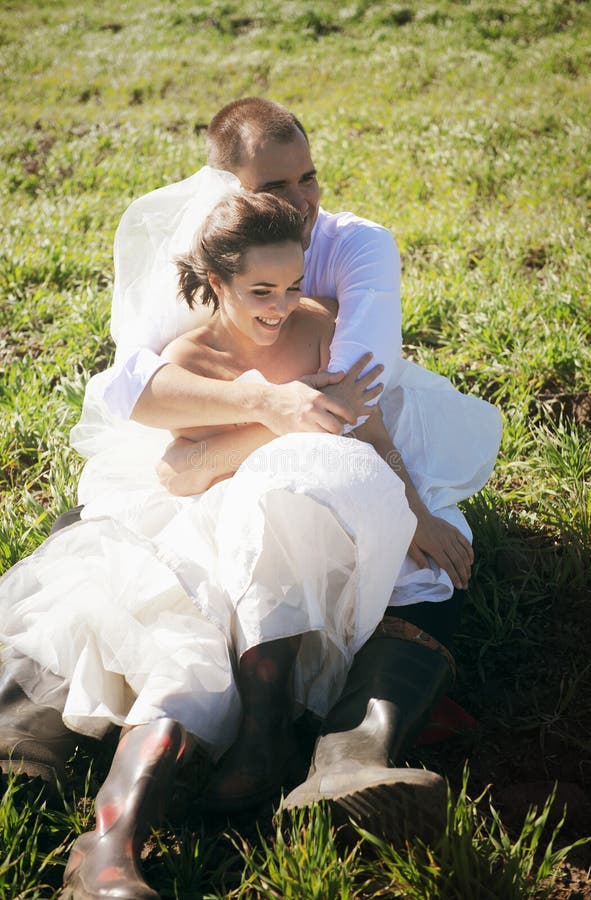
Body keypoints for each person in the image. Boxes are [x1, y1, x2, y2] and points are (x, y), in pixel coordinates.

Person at [0, 98, 501, 839]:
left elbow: (355, 384)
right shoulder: (201, 252)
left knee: (418, 547)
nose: (300, 201)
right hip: (205, 434)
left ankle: (353, 753)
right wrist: (266, 406)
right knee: (114, 549)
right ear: (223, 190)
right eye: (274, 188)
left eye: (309, 178)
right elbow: (132, 387)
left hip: (348, 432)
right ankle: (31, 729)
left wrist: (392, 487)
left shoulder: (353, 244)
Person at [1, 192, 419, 899]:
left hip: (292, 524)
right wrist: (284, 417)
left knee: (274, 539)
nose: (281, 306)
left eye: (291, 286)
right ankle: (109, 847)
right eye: (261, 290)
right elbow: (180, 471)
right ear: (216, 283)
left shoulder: (317, 327)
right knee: (181, 636)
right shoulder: (189, 355)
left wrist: (419, 507)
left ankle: (261, 745)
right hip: (203, 516)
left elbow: (367, 430)